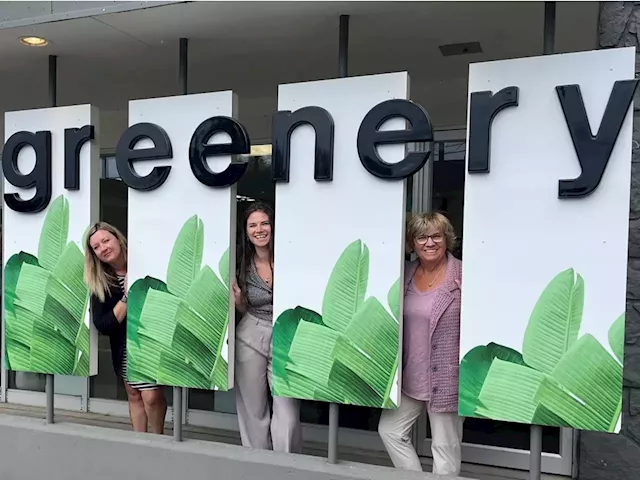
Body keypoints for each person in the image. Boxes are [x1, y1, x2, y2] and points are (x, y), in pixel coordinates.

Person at [378, 212, 464, 475]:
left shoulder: (463, 276)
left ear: (447, 239)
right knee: (390, 431)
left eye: (436, 236)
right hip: (409, 376)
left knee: (444, 447)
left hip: (447, 377)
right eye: (422, 237)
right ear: (412, 243)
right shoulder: (403, 273)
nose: (430, 243)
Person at [84, 221, 167, 434]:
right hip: (123, 347)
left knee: (151, 396)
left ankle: (156, 440)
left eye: (106, 240)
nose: (103, 248)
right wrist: (127, 297)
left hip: (149, 342)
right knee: (134, 394)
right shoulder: (101, 280)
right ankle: (139, 442)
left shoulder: (144, 264)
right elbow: (104, 325)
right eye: (96, 247)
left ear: (118, 239)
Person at [232, 201, 302, 453]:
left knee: (288, 410)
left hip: (287, 335)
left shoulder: (290, 256)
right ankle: (257, 462)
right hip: (251, 331)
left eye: (265, 223)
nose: (259, 229)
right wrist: (240, 303)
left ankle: (287, 464)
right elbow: (242, 308)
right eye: (253, 225)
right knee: (253, 409)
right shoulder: (240, 261)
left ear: (274, 227)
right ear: (246, 231)